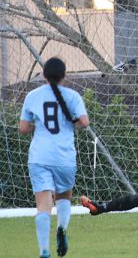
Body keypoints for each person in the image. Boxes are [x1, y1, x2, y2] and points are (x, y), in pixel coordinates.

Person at [19, 57, 90, 258]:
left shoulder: (32, 96)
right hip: (64, 157)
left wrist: (37, 125)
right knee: (63, 196)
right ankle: (62, 228)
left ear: (43, 75)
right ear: (64, 76)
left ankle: (44, 251)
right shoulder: (73, 96)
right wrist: (70, 124)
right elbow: (84, 122)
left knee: (43, 204)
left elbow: (23, 128)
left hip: (39, 156)